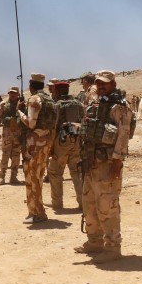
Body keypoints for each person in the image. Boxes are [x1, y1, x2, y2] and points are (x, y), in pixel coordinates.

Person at [75, 70, 133, 264]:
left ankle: (113, 247)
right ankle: (94, 241)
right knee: (89, 203)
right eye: (99, 83)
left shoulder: (120, 106)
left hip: (107, 164)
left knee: (107, 205)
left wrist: (117, 163)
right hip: (91, 162)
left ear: (113, 85)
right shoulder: (96, 103)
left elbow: (123, 135)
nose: (101, 86)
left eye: (105, 84)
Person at [17, 73, 57, 223]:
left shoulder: (35, 99)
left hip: (35, 143)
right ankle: (34, 210)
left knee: (33, 176)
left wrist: (19, 112)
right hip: (46, 141)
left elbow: (31, 123)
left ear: (31, 86)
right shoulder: (50, 100)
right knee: (38, 175)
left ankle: (38, 213)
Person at [48, 81, 84, 210]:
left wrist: (50, 147)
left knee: (55, 172)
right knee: (77, 171)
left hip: (62, 141)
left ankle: (57, 203)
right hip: (77, 140)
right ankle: (82, 202)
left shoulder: (57, 105)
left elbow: (54, 126)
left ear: (57, 91)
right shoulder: (78, 103)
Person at [0, 86, 23, 185]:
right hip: (7, 133)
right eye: (11, 93)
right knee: (5, 155)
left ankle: (13, 177)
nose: (12, 94)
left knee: (16, 156)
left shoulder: (21, 105)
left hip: (18, 133)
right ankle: (2, 176)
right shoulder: (3, 104)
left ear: (18, 94)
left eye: (14, 93)